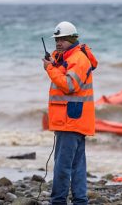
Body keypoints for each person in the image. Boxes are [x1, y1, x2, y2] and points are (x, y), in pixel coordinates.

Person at [42, 21, 98, 205]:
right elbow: (65, 74)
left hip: (70, 121)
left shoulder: (79, 59)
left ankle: (58, 201)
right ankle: (80, 201)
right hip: (73, 120)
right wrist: (54, 64)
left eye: (63, 39)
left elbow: (69, 85)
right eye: (57, 39)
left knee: (63, 166)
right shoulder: (70, 57)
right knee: (76, 165)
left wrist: (50, 68)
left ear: (73, 39)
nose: (58, 42)